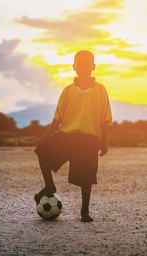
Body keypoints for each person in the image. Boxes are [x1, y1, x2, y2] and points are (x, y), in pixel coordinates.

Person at [34, 50, 112, 222]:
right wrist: (46, 136)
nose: (83, 66)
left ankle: (84, 211)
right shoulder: (68, 91)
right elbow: (58, 118)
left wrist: (104, 142)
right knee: (41, 152)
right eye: (80, 63)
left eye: (87, 63)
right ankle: (49, 185)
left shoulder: (100, 90)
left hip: (89, 140)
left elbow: (105, 119)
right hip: (67, 136)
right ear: (74, 67)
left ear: (93, 66)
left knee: (86, 178)